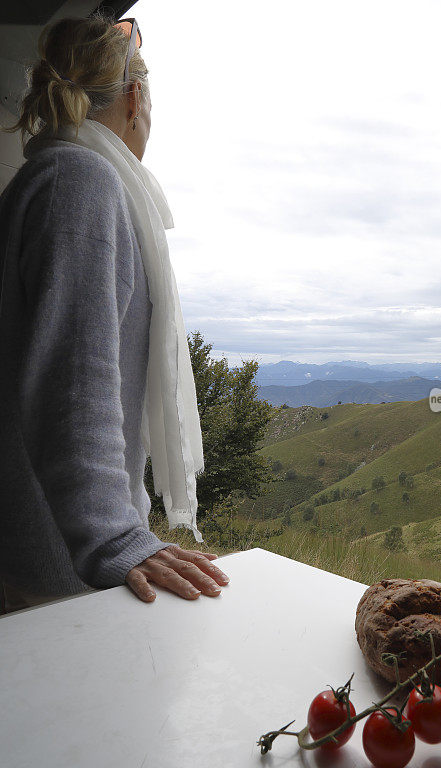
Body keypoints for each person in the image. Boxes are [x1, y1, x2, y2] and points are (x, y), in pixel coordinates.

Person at [0, 12, 230, 615]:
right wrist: (114, 537)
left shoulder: (44, 178)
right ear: (136, 98)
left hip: (39, 541)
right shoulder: (81, 183)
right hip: (54, 566)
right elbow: (73, 378)